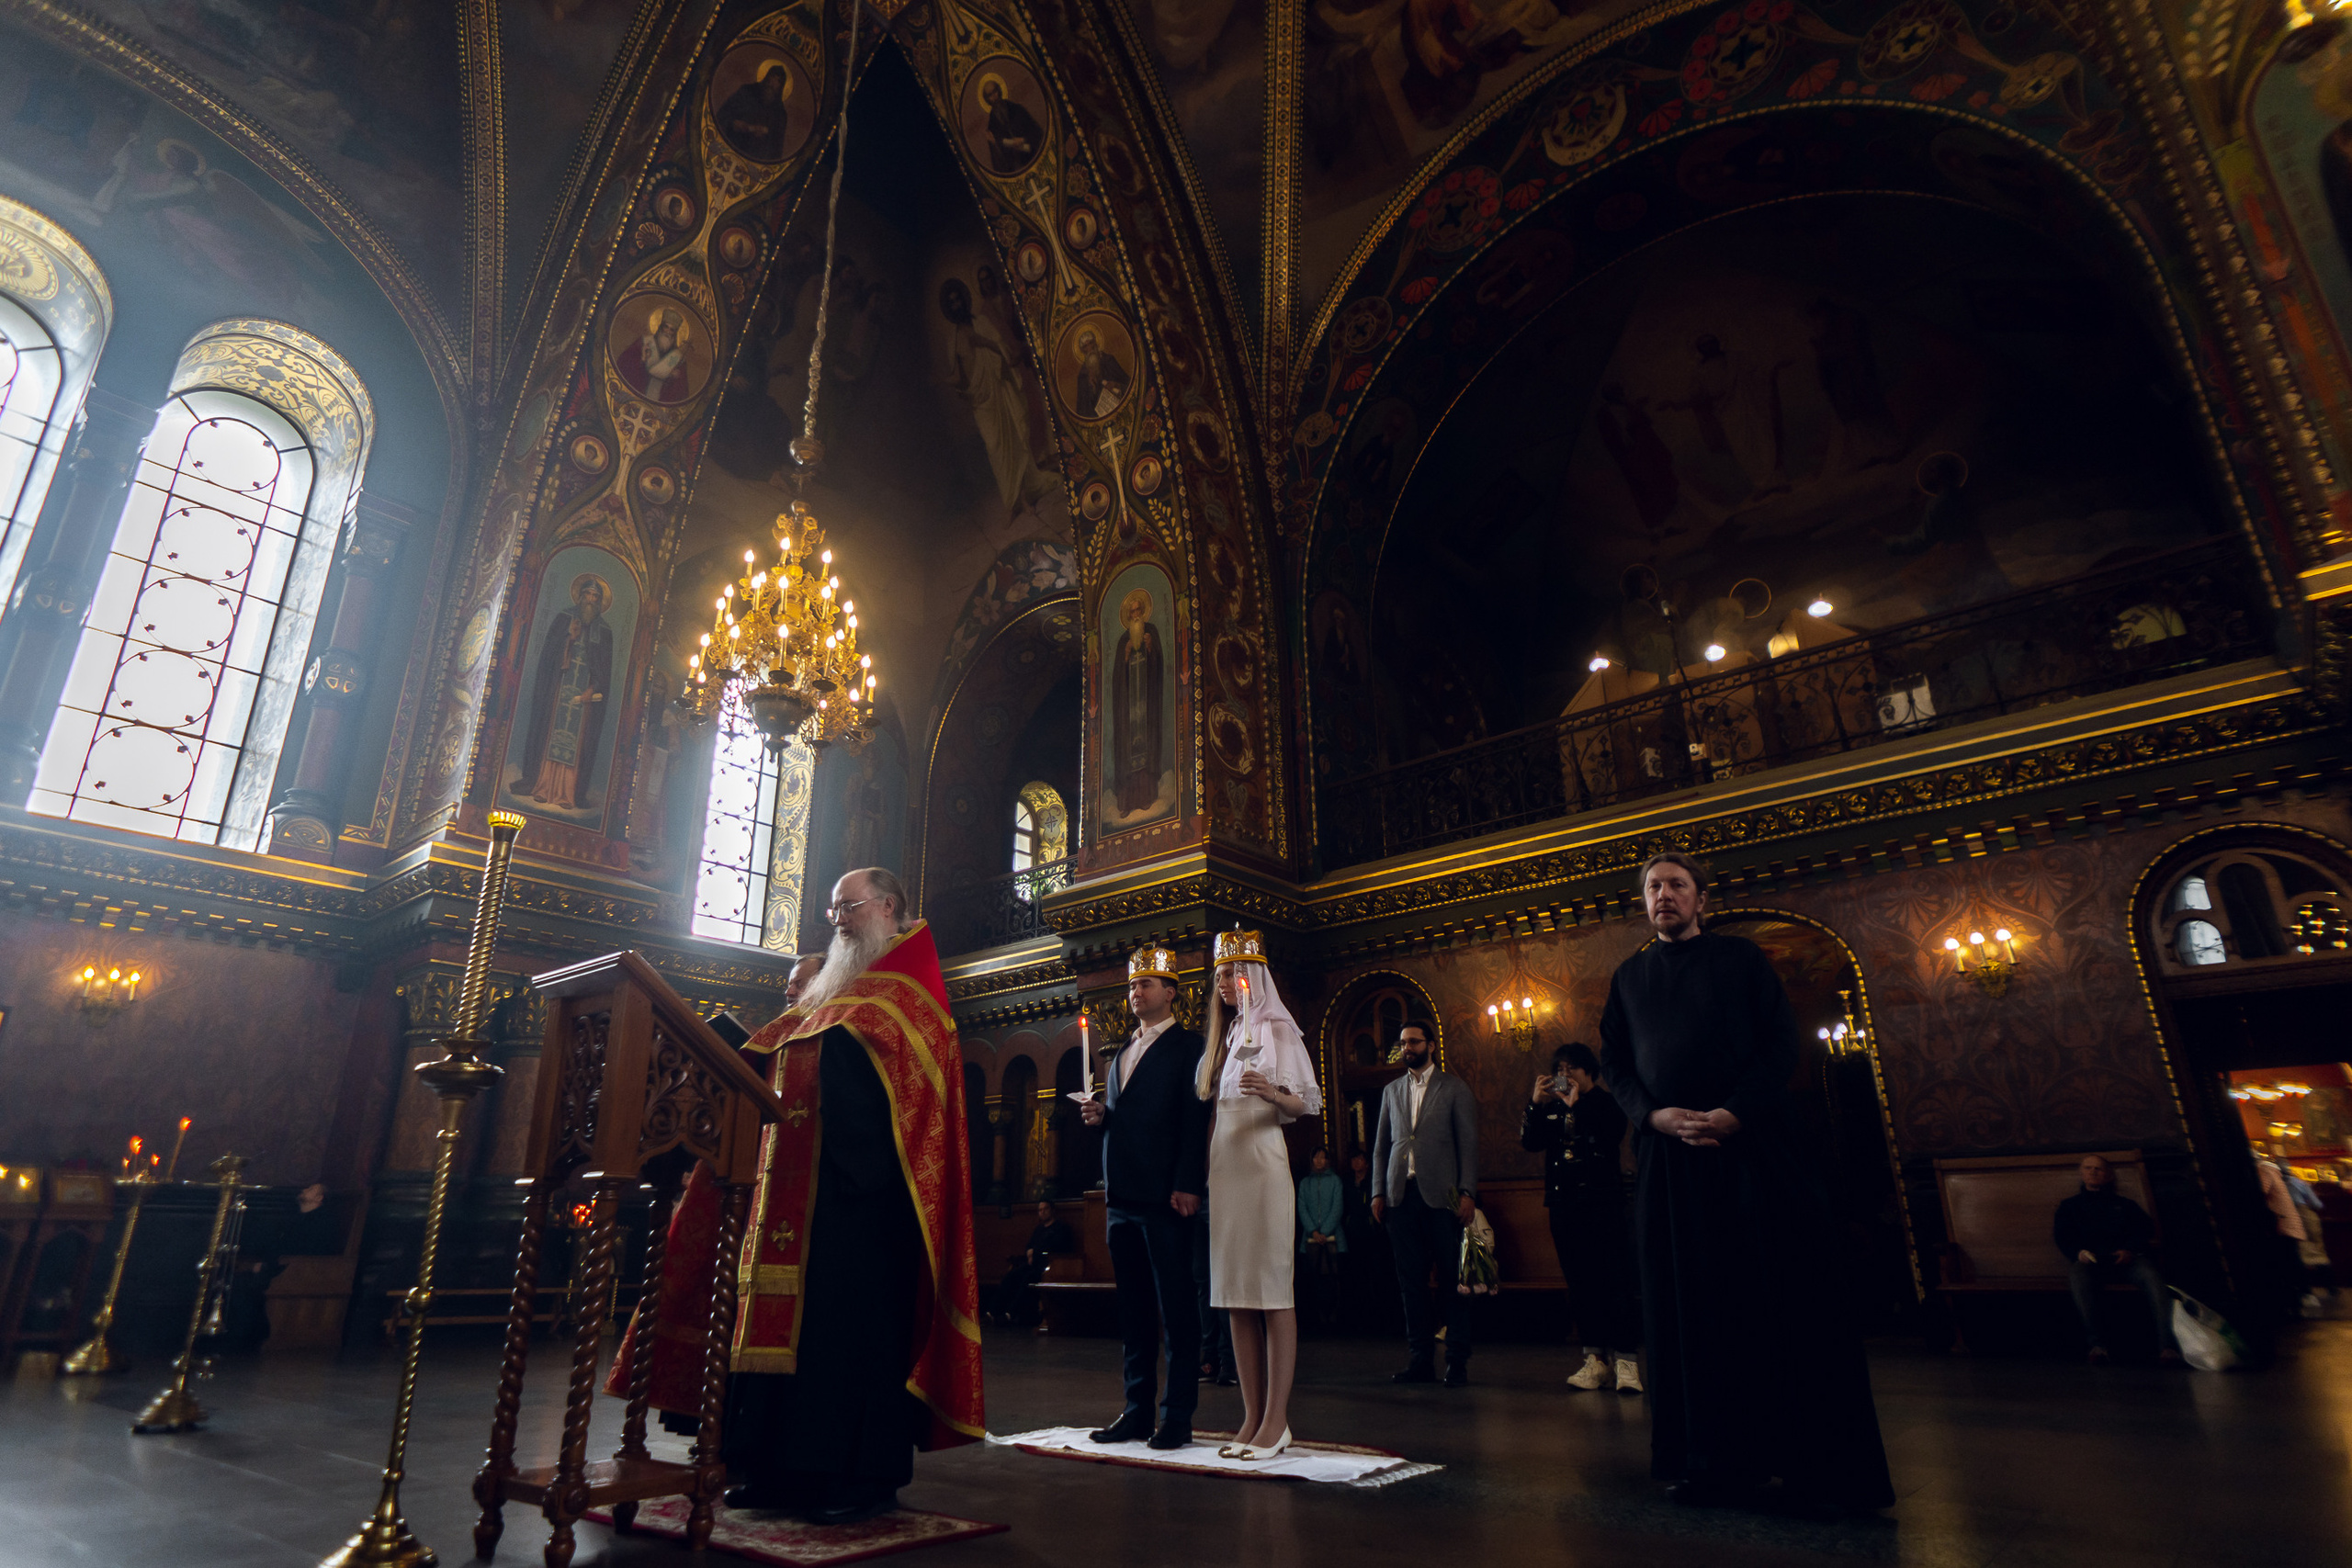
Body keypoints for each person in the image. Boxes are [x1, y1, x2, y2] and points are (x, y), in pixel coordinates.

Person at [608, 872, 982, 1525]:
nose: (837, 917)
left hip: (861, 1207)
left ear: (889, 907)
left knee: (846, 1343)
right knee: (783, 1339)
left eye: (850, 905)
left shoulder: (911, 1001)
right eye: (832, 906)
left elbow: (907, 1110)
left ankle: (854, 1478)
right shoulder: (833, 994)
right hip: (787, 1193)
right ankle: (773, 1467)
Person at [1600, 852, 1893, 1515]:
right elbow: (1614, 1060)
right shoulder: (1629, 976)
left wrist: (1733, 1113)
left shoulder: (1742, 961)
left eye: (1676, 884)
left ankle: (1809, 1463)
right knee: (1688, 1313)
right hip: (1669, 1165)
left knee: (1775, 1300)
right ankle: (1709, 1462)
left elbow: (1779, 1046)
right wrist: (1651, 1114)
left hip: (1754, 1155)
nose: (1663, 895)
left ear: (1703, 898)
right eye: (1653, 887)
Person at [1077, 946, 1209, 1450]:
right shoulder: (1123, 1049)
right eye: (1132, 986)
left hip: (1165, 1197)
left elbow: (1192, 1120)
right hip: (1122, 1197)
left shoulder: (1188, 1045)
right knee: (1132, 1310)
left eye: (1146, 984)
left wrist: (1189, 1184)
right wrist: (1102, 1118)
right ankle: (1136, 1410)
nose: (1136, 992)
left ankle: (1176, 1416)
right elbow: (1130, 1120)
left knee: (1176, 1308)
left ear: (1170, 992)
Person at [1196, 930, 1321, 1458]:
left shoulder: (1278, 1031)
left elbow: (1305, 1107)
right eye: (1220, 974)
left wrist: (1273, 1091)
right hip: (1226, 1166)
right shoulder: (1223, 1040)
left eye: (1233, 972)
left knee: (1272, 1292)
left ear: (1256, 977)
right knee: (1235, 1295)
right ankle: (1249, 1417)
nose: (1225, 982)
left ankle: (1277, 1421)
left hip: (1263, 1164)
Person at [1521, 1042, 1642, 1393]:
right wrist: (1535, 1103)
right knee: (1581, 1284)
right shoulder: (1551, 1108)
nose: (1563, 1075)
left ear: (1589, 1071)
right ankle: (1596, 1361)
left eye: (1570, 1068)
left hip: (1603, 1204)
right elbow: (1530, 1142)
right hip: (1563, 1206)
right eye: (1559, 1069)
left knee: (1615, 1283)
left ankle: (1626, 1362)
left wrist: (1577, 1107)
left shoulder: (1607, 1102)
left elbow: (1609, 1139)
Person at [1371, 1018, 1478, 1386]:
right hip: (1401, 1197)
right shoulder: (1391, 1091)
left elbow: (1468, 1145)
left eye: (1414, 1042)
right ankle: (1420, 1361)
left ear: (1430, 1046)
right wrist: (1377, 1191)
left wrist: (1467, 1192)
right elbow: (1381, 1147)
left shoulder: (1454, 1088)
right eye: (1403, 1043)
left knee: (1453, 1283)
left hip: (1443, 1198)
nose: (1407, 1048)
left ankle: (1457, 1361)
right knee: (1411, 1284)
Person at [2054, 1154, 2181, 1365]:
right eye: (2088, 1168)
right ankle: (2097, 1345)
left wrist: (2129, 1250)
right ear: (2081, 1173)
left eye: (2098, 1169)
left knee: (2153, 1278)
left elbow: (2145, 1231)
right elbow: (2062, 1236)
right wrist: (2078, 1253)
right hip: (2091, 1263)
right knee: (2077, 1276)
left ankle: (2167, 1347)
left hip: (2127, 1261)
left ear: (2109, 1176)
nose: (2093, 1172)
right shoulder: (2069, 1207)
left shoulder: (2125, 1205)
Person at [992, 1201, 1075, 1328]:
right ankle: (994, 1311)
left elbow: (1056, 1248)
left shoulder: (1061, 1228)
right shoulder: (1039, 1229)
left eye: (1045, 1209)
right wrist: (1029, 1253)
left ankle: (1011, 1314)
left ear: (1052, 1210)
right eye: (1040, 1210)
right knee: (1011, 1276)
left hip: (1049, 1267)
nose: (1042, 1212)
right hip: (1033, 1264)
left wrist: (1034, 1253)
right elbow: (1029, 1246)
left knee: (1028, 1279)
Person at [1296, 1148, 1347, 1334]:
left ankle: (1334, 1319)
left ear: (1328, 1160)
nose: (1319, 1161)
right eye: (1315, 1157)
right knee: (1312, 1280)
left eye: (1323, 1157)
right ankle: (1316, 1320)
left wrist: (1324, 1231)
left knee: (1334, 1280)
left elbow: (1338, 1206)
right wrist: (1313, 1231)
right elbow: (1301, 1207)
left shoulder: (1335, 1181)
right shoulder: (1304, 1183)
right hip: (1309, 1240)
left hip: (1333, 1238)